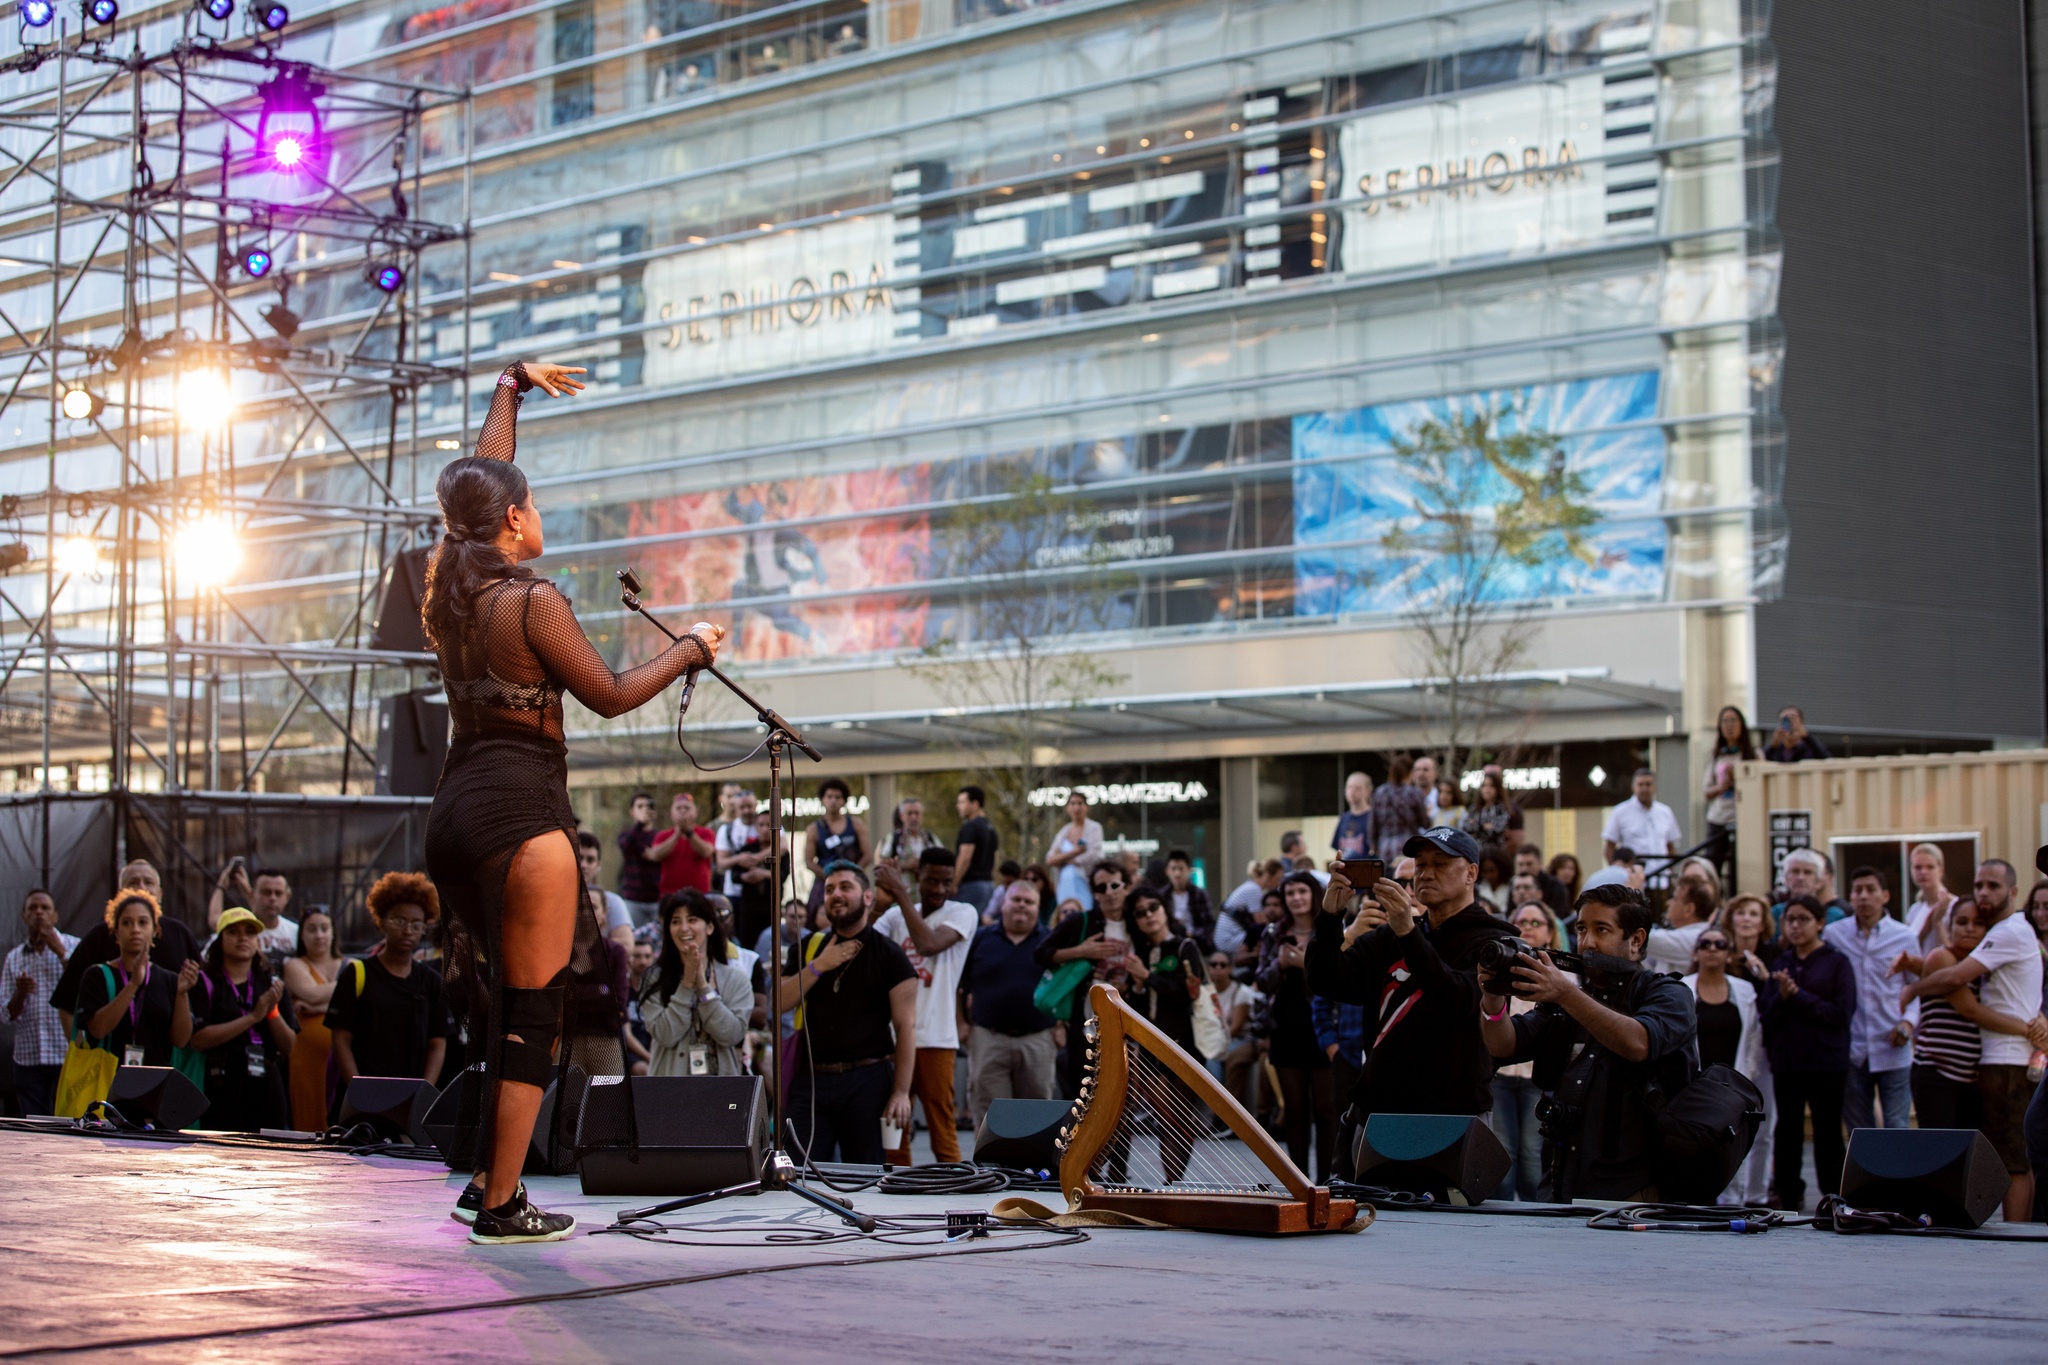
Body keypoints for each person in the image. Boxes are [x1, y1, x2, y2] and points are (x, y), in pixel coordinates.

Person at [420, 356, 722, 1242]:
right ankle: (504, 1202)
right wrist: (693, 650)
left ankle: (489, 1177)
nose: (537, 509)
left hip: (456, 810)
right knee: (535, 1015)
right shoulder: (530, 599)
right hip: (522, 816)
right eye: (532, 502)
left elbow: (477, 480)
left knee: (503, 1009)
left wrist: (509, 388)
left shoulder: (452, 586)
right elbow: (614, 691)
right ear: (514, 519)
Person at [1480, 884, 1699, 1202]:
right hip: (1560, 1182)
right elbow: (1504, 1046)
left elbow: (1639, 1043)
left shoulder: (1667, 993)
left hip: (1634, 1190)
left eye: (1602, 930)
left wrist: (1567, 994)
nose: (1587, 943)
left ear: (1635, 941)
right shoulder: (1568, 999)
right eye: (1582, 929)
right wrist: (1492, 997)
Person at [1307, 828, 1521, 1134]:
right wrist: (1330, 916)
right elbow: (1326, 980)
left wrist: (1408, 934)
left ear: (1471, 874)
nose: (1426, 874)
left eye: (1440, 864)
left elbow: (1457, 1001)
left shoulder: (1493, 941)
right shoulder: (1390, 935)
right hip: (1379, 1111)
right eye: (1420, 865)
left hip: (1452, 1116)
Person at [1899, 860, 2048, 1223]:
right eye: (1979, 884)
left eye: (1993, 886)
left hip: (2008, 1061)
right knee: (2008, 1154)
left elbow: (1956, 979)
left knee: (2013, 1160)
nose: (1983, 893)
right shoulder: (2001, 935)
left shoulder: (2010, 931)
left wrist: (1912, 989)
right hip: (1978, 1064)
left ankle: (2019, 1237)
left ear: (2013, 892)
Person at [776, 862, 917, 1165]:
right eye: (829, 889)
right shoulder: (809, 947)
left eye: (845, 887)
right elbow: (778, 1004)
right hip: (812, 1079)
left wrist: (901, 1092)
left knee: (863, 1177)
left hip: (868, 1080)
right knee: (798, 1175)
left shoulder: (890, 955)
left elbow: (906, 1027)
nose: (835, 895)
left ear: (867, 897)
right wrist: (819, 965)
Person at [870, 849, 979, 1165]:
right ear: (919, 877)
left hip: (937, 1037)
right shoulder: (894, 915)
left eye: (947, 882)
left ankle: (952, 1186)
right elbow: (865, 945)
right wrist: (881, 899)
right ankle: (894, 1184)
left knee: (941, 1124)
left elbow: (928, 944)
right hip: (893, 1036)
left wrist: (901, 893)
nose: (939, 889)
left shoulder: (963, 912)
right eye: (931, 880)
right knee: (893, 1123)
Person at [1758, 895, 1856, 1212]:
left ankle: (1833, 1199)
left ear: (1820, 923)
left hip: (1826, 1062)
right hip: (1788, 1062)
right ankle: (1788, 1197)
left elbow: (1841, 1013)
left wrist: (1797, 995)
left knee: (1828, 1133)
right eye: (1790, 920)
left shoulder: (1836, 962)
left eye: (1803, 919)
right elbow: (1767, 1015)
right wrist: (1783, 998)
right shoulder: (1780, 963)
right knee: (1787, 1133)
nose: (1796, 926)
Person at [326, 874, 452, 1094]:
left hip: (410, 1096)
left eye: (416, 924)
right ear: (381, 922)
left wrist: (424, 1092)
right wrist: (358, 1087)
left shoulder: (431, 981)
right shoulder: (357, 973)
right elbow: (340, 1039)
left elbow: (437, 1043)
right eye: (399, 921)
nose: (407, 931)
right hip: (362, 1095)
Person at [176, 907, 296, 1132]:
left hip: (265, 1083)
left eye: (250, 933)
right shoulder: (204, 982)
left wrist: (271, 1012)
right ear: (220, 940)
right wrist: (252, 1018)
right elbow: (198, 1040)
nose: (243, 938)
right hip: (220, 1084)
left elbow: (288, 1046)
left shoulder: (272, 983)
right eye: (233, 932)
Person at [50, 860, 201, 1037]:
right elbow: (67, 1004)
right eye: (133, 882)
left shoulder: (180, 934)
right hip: (107, 1058)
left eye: (148, 882)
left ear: (160, 894)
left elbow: (198, 1009)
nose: (141, 888)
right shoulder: (99, 937)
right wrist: (79, 1055)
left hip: (165, 1057)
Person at [1904, 899, 2018, 1131]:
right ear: (1949, 927)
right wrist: (2026, 1029)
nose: (1970, 928)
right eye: (1962, 922)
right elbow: (1969, 1010)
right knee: (1937, 1155)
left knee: (1967, 1157)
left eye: (1978, 923)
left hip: (1971, 1077)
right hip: (1937, 1073)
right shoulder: (1941, 957)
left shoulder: (1983, 968)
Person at [1823, 867, 1919, 1133]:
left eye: (1871, 890)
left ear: (1885, 895)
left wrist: (1909, 1023)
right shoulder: (1833, 935)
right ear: (1850, 897)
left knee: (1897, 1126)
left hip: (1893, 1043)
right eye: (1857, 891)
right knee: (1859, 1131)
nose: (1863, 896)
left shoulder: (1905, 936)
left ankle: (1899, 1176)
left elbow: (1916, 988)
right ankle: (1867, 1177)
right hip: (1851, 1046)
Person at [1119, 888, 1206, 1183]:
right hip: (1149, 1047)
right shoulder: (1138, 953)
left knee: (1183, 1118)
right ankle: (1171, 1182)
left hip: (1186, 1044)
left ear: (1164, 908)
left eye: (1152, 907)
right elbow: (1134, 1005)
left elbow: (1187, 995)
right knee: (1165, 1119)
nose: (1148, 915)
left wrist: (1148, 977)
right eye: (1140, 912)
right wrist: (1139, 986)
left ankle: (1174, 1183)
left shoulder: (1185, 948)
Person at [1256, 871, 1337, 1180]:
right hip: (1286, 1028)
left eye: (1302, 891)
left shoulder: (1329, 928)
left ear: (1313, 894)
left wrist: (1305, 965)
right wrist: (1280, 964)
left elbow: (1338, 978)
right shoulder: (1274, 932)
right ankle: (1299, 1180)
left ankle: (1329, 1180)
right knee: (1294, 1109)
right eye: (1290, 893)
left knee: (1326, 1108)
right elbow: (1261, 980)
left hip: (1323, 1027)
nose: (1296, 898)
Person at [1037, 861, 1136, 1100]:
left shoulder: (1138, 924)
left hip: (1130, 1025)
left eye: (1115, 885)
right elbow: (1041, 954)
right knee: (1083, 1099)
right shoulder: (1081, 921)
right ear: (1094, 893)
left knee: (1123, 1102)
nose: (1109, 893)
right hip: (1087, 1027)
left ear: (1127, 887)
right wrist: (1081, 951)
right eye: (1101, 888)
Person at [960, 877, 1056, 1124]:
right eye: (1016, 899)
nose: (1022, 905)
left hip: (1037, 1041)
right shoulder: (980, 939)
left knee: (1036, 1122)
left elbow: (1066, 988)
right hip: (988, 1039)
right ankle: (992, 1165)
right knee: (992, 1121)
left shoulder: (1052, 942)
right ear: (1003, 903)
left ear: (1038, 907)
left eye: (1029, 901)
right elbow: (958, 985)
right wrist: (961, 1023)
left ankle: (1033, 1165)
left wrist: (1062, 1026)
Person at [1682, 926, 1767, 1203]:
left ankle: (1732, 1203)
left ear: (1729, 954)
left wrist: (1748, 1077)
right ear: (1696, 952)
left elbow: (1754, 1038)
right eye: (1705, 944)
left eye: (1719, 944)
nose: (1712, 950)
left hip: (1733, 1086)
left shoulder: (1744, 991)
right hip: (1694, 1086)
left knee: (1732, 1144)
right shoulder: (1682, 988)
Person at [1491, 901, 1566, 1200]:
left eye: (1537, 922)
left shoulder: (1565, 977)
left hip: (1538, 1078)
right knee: (1504, 1151)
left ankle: (1535, 1213)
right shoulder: (1499, 969)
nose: (1530, 927)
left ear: (1550, 932)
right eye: (1523, 921)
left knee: (1532, 1154)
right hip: (1502, 1075)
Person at [641, 890, 752, 1078]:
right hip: (669, 1091)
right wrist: (686, 985)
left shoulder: (736, 978)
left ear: (709, 927)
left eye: (692, 920)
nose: (684, 928)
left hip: (720, 1092)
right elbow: (665, 1034)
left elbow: (731, 1034)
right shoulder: (654, 977)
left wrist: (703, 987)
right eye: (676, 921)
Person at [76, 891, 180, 1069]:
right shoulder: (97, 975)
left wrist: (183, 994)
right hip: (107, 1082)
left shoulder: (169, 979)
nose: (135, 929)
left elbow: (181, 1040)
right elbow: (97, 1030)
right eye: (126, 923)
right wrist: (132, 985)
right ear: (116, 932)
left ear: (155, 930)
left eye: (143, 922)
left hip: (156, 1082)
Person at [6, 889, 76, 1117]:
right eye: (32, 909)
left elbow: (86, 990)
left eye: (45, 908)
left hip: (65, 1054)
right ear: (24, 917)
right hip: (28, 1059)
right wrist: (20, 993)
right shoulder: (14, 957)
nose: (39, 913)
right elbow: (6, 1015)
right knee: (35, 1128)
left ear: (55, 915)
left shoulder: (74, 946)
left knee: (68, 1124)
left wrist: (61, 953)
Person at [282, 906, 345, 1132]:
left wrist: (318, 1007)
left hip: (342, 1059)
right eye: (311, 929)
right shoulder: (294, 965)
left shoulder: (347, 965)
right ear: (302, 936)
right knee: (308, 1124)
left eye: (324, 928)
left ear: (333, 933)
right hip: (306, 1058)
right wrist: (344, 987)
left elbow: (317, 1000)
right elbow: (310, 993)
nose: (319, 935)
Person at [565, 871, 631, 1076]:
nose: (585, 912)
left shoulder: (615, 952)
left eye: (592, 907)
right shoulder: (560, 953)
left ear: (604, 912)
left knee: (607, 1100)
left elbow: (619, 1001)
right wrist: (600, 991)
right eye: (580, 906)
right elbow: (557, 999)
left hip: (607, 1042)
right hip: (568, 1043)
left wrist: (575, 995)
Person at [1602, 769, 1680, 891]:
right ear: (1634, 787)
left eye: (1648, 784)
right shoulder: (1620, 812)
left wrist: (1670, 873)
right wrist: (1618, 874)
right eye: (1640, 784)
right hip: (1633, 882)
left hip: (1662, 881)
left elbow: (1670, 847)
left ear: (1654, 787)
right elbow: (1609, 847)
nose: (1644, 789)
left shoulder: (1665, 812)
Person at [803, 777, 870, 912]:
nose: (833, 800)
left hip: (853, 880)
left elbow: (868, 855)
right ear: (822, 800)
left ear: (844, 801)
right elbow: (809, 862)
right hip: (824, 881)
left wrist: (853, 874)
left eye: (837, 797)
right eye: (829, 796)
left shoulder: (856, 824)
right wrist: (829, 876)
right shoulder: (814, 829)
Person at [1702, 705, 1754, 874]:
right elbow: (1706, 793)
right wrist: (1721, 786)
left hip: (1744, 819)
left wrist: (1739, 778)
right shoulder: (1715, 756)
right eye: (1725, 722)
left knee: (1742, 868)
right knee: (1712, 866)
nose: (1729, 726)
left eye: (1733, 720)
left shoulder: (1754, 755)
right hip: (1719, 818)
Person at [647, 792, 715, 900]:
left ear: (696, 812)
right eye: (678, 808)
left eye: (687, 808)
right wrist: (676, 835)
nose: (683, 811)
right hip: (669, 895)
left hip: (699, 895)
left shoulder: (706, 833)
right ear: (671, 814)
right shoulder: (663, 835)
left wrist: (689, 832)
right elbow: (655, 855)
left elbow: (706, 851)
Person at [575, 832, 636, 950]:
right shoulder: (556, 900)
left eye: (590, 860)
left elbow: (627, 946)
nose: (584, 865)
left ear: (598, 864)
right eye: (579, 858)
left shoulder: (613, 902)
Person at [1045, 790, 1103, 911]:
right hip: (1064, 885)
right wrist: (1075, 852)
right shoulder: (1063, 831)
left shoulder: (1094, 828)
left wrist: (1064, 859)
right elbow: (1050, 859)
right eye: (1072, 803)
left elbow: (1095, 855)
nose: (1076, 807)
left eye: (1080, 803)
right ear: (1067, 808)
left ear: (1086, 807)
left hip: (1085, 883)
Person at [1644, 883, 1713, 977]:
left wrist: (1632, 896)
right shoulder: (1694, 933)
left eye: (1675, 898)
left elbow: (1642, 936)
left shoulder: (1696, 936)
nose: (1668, 902)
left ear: (1689, 909)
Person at [615, 792, 663, 925]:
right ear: (632, 811)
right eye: (640, 806)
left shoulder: (660, 836)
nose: (644, 810)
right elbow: (625, 846)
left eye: (648, 806)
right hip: (633, 899)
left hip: (656, 898)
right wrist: (640, 825)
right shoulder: (626, 834)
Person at [1371, 756, 1429, 864]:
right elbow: (1425, 823)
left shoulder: (1379, 793)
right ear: (1410, 773)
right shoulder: (1414, 793)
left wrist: (1374, 846)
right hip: (1407, 847)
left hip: (1384, 848)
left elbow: (1372, 826)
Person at [953, 785, 1000, 913]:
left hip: (971, 886)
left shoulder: (971, 827)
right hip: (988, 885)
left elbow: (965, 857)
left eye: (962, 802)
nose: (958, 806)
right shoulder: (990, 827)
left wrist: (954, 883)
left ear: (975, 804)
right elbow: (995, 860)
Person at [1903, 843, 1956, 956]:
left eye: (1930, 867)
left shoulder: (1955, 906)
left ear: (1940, 871)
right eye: (1918, 867)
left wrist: (1937, 923)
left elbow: (1954, 954)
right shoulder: (1914, 910)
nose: (1923, 872)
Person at [1773, 848, 1848, 926]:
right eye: (1795, 871)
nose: (1800, 877)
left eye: (1808, 872)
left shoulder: (1834, 916)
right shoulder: (1775, 913)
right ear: (1785, 878)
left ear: (1819, 881)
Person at [1159, 848, 1214, 944]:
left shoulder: (1199, 894)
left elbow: (1209, 925)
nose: (1177, 873)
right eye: (1173, 869)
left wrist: (1192, 934)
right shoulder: (1162, 895)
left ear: (1189, 870)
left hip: (1197, 941)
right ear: (1167, 871)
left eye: (1181, 868)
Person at [1461, 769, 1521, 848]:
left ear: (1497, 789)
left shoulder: (1501, 809)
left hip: (1495, 851)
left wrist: (1477, 825)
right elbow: (1466, 827)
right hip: (1476, 851)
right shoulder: (1474, 809)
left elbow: (1498, 830)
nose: (1487, 789)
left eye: (1491, 786)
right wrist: (1484, 826)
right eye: (1485, 786)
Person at [880, 797, 938, 873]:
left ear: (922, 815)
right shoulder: (893, 838)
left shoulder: (930, 838)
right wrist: (904, 865)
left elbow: (944, 860)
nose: (913, 818)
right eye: (909, 813)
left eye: (917, 813)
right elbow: (882, 864)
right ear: (901, 816)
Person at [1514, 844, 1570, 916]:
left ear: (1540, 863)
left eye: (1529, 864)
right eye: (1521, 865)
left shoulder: (1555, 885)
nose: (1524, 869)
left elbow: (1557, 916)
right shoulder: (1514, 883)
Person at [1763, 704, 1828, 763]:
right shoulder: (1776, 751)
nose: (1790, 722)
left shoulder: (1810, 748)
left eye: (1793, 718)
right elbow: (1762, 762)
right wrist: (1773, 746)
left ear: (1801, 724)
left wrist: (1807, 737)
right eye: (1785, 719)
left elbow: (1827, 760)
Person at [1332, 771, 1373, 860]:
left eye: (1357, 788)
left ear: (1368, 791)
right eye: (1349, 787)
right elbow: (1337, 849)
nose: (1352, 791)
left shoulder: (1372, 817)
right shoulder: (1344, 818)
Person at [1473, 847, 1511, 914]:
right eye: (1484, 871)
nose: (1488, 875)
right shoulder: (1478, 889)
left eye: (1492, 870)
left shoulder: (1510, 887)